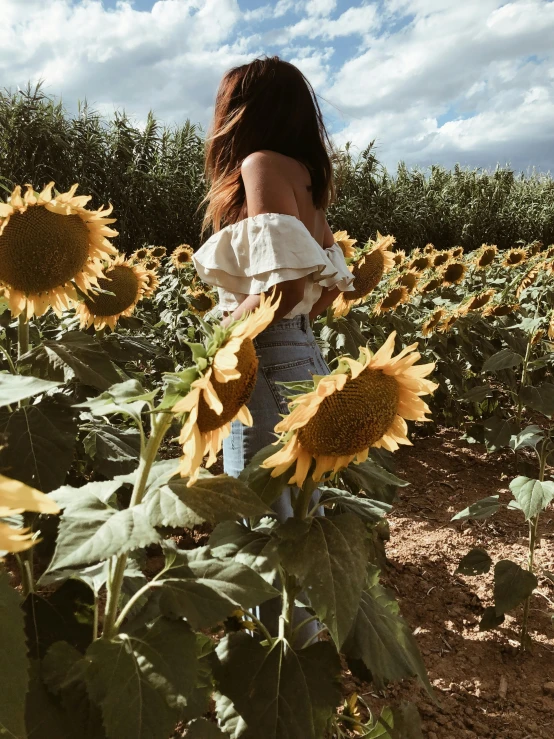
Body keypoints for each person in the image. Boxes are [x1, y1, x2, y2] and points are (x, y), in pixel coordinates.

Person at [192, 55, 356, 639]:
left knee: (258, 509)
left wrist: (221, 340)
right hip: (302, 354)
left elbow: (283, 287)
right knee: (295, 509)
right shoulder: (306, 181)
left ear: (240, 114)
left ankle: (282, 648)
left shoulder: (259, 164)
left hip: (261, 357)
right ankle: (304, 635)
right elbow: (331, 288)